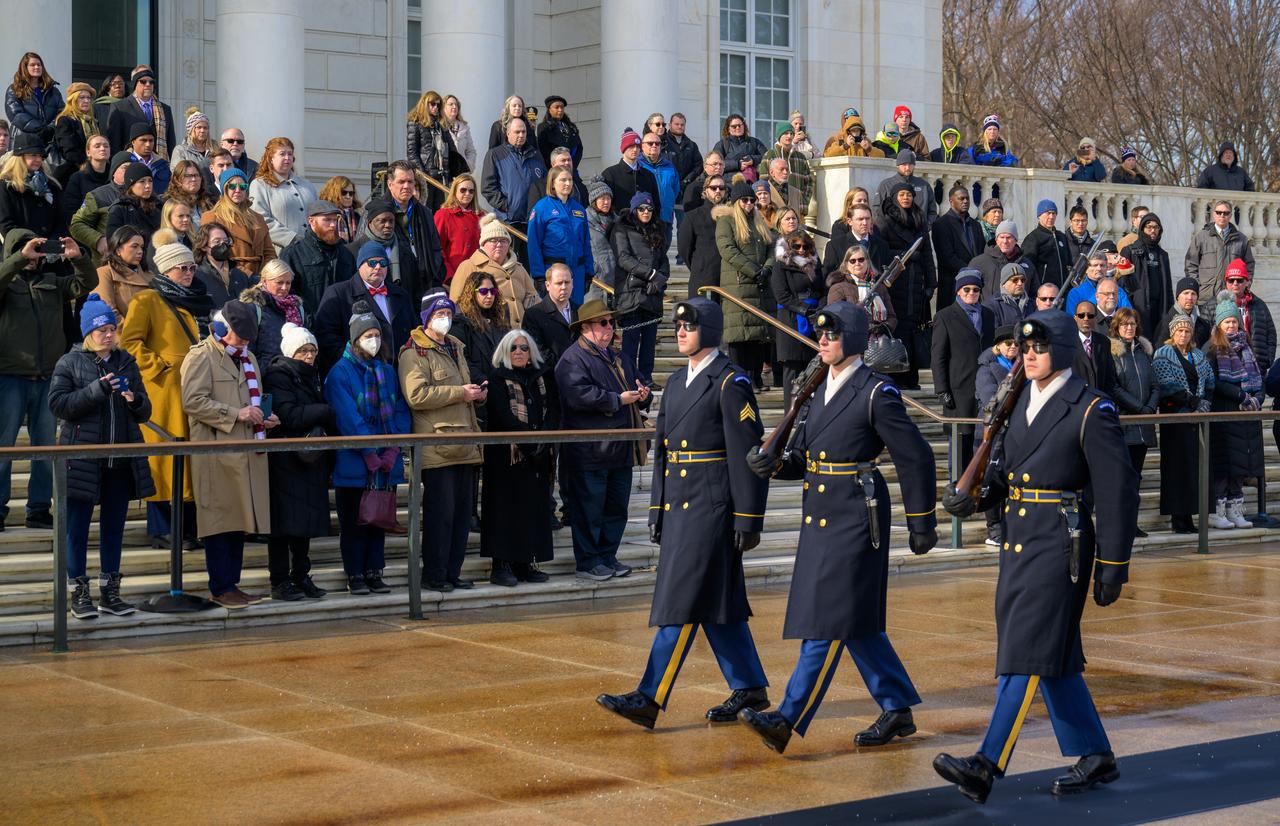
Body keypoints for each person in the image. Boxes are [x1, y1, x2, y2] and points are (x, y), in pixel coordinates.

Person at [936, 311, 1136, 805]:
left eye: (1039, 348)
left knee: (1024, 654)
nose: (1028, 354)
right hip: (1021, 541)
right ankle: (1095, 753)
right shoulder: (1018, 399)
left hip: (1059, 543)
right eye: (1025, 348)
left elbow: (1117, 492)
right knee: (1053, 657)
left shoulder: (1090, 408)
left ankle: (986, 763)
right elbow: (1005, 474)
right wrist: (976, 498)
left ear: (1063, 352)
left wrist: (1113, 565)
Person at [741, 301, 938, 754]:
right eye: (820, 334)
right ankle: (896, 707)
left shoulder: (875, 392)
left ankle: (787, 717)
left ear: (851, 339)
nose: (823, 340)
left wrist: (921, 520)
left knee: (827, 620)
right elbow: (807, 456)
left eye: (831, 334)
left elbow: (915, 456)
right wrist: (775, 462)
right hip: (821, 512)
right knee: (855, 622)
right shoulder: (816, 389)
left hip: (855, 514)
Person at [598, 298, 772, 728]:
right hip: (680, 506)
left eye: (689, 327)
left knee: (684, 601)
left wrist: (748, 517)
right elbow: (663, 453)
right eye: (677, 326)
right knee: (716, 602)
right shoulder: (675, 382)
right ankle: (748, 684)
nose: (679, 332)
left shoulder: (730, 382)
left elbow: (746, 453)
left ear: (709, 332)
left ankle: (649, 696)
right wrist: (657, 508)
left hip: (712, 508)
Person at [51, 292, 153, 621]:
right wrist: (98, 389)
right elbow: (59, 405)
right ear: (87, 333)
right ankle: (78, 592)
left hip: (119, 461)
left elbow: (145, 409)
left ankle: (110, 592)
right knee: (76, 529)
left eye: (111, 329)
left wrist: (132, 398)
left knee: (114, 528)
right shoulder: (70, 362)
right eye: (100, 330)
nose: (108, 335)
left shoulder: (125, 360)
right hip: (82, 458)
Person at [180, 300, 278, 608]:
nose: (245, 343)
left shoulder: (247, 358)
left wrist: (264, 416)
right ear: (224, 330)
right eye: (241, 337)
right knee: (219, 522)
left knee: (238, 521)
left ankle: (231, 583)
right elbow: (193, 402)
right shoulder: (201, 356)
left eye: (250, 338)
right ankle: (221, 586)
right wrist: (237, 414)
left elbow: (254, 401)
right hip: (215, 453)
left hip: (245, 451)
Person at [0, 230, 95, 530]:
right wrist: (18, 259)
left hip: (49, 377)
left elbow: (86, 283)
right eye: (29, 248)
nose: (34, 254)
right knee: (4, 447)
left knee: (44, 448)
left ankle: (38, 508)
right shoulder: (6, 281)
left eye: (38, 248)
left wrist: (78, 258)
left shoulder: (52, 282)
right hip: (10, 376)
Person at [120, 242, 212, 546]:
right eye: (181, 268)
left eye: (191, 267)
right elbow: (130, 342)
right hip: (164, 392)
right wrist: (159, 367)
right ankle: (161, 528)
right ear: (166, 269)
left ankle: (187, 527)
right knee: (163, 460)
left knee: (190, 459)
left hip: (195, 389)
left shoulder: (198, 300)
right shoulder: (147, 299)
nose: (187, 273)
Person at [556, 298, 650, 580]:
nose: (610, 328)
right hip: (591, 450)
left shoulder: (617, 356)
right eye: (604, 323)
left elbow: (638, 383)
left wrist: (644, 394)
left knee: (615, 508)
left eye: (612, 322)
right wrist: (616, 399)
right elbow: (577, 396)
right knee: (589, 509)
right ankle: (588, 561)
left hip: (621, 447)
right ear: (586, 328)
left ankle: (608, 556)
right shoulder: (572, 359)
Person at [398, 292, 485, 591]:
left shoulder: (456, 347)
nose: (445, 319)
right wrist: (461, 393)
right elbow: (416, 395)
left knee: (462, 516)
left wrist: (476, 393)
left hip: (465, 440)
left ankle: (452, 572)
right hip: (437, 445)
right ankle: (434, 575)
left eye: (448, 313)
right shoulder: (413, 352)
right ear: (426, 318)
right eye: (439, 313)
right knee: (441, 516)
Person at [325, 300, 410, 594]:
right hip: (354, 460)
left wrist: (392, 448)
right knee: (354, 522)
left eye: (376, 335)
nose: (373, 341)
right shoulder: (340, 373)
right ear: (355, 339)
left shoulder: (385, 371)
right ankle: (356, 574)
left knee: (379, 518)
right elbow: (348, 416)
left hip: (384, 461)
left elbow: (400, 408)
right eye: (366, 336)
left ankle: (375, 570)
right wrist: (369, 452)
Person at [262, 323, 332, 601]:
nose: (309, 356)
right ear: (291, 352)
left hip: (307, 459)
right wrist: (325, 411)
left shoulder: (310, 375)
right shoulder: (279, 375)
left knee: (304, 524)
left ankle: (301, 576)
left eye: (312, 350)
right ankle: (280, 580)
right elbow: (288, 415)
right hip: (285, 460)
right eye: (303, 351)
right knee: (282, 526)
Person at [482, 328, 558, 585]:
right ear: (505, 351)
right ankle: (501, 564)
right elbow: (503, 415)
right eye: (513, 347)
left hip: (538, 455)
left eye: (524, 348)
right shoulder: (496, 379)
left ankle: (526, 561)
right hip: (506, 458)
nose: (519, 352)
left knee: (532, 510)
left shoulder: (542, 377)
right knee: (504, 510)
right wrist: (528, 440)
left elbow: (552, 410)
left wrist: (543, 439)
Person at [1202, 292, 1265, 530]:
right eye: (1226, 321)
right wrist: (1239, 395)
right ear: (1219, 324)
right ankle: (1218, 511)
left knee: (1241, 465)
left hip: (1246, 416)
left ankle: (1236, 510)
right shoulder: (1212, 348)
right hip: (1224, 413)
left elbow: (1258, 376)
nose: (1231, 324)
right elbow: (1214, 381)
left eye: (1233, 321)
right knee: (1224, 465)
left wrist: (1257, 397)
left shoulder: (1246, 346)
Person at [314, 241, 415, 374]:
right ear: (359, 265)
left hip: (400, 370)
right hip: (357, 371)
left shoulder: (400, 294)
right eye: (372, 263)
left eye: (383, 263)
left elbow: (413, 330)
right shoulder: (338, 293)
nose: (378, 267)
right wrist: (353, 363)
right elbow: (327, 337)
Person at [1152, 314, 1213, 533]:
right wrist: (1193, 401)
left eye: (1187, 331)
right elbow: (1166, 385)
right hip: (1175, 417)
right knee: (1176, 469)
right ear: (1172, 333)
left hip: (1196, 419)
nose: (1184, 334)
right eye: (1179, 331)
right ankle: (1178, 518)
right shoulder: (1163, 354)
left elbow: (1210, 382)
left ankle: (1189, 516)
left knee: (1193, 469)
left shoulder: (1198, 355)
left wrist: (1205, 402)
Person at [933, 271, 996, 468]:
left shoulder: (987, 314)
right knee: (960, 444)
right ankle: (957, 490)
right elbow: (938, 356)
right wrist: (942, 389)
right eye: (966, 289)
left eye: (976, 289)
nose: (971, 293)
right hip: (959, 389)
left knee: (983, 442)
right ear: (958, 291)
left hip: (984, 387)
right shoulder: (945, 316)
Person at [715, 180, 773, 390]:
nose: (749, 204)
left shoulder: (758, 222)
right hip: (738, 286)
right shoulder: (726, 221)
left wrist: (767, 268)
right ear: (736, 202)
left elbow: (771, 248)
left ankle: (756, 377)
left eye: (752, 200)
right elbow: (728, 250)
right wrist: (753, 270)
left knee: (757, 335)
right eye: (745, 200)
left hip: (759, 286)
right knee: (740, 336)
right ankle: (741, 379)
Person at [877, 182, 936, 389]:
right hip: (895, 281)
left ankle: (912, 377)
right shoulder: (885, 221)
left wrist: (931, 283)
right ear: (894, 197)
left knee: (913, 329)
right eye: (902, 194)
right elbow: (881, 251)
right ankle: (896, 377)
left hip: (915, 282)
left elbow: (927, 252)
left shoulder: (919, 220)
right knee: (897, 327)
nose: (906, 198)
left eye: (909, 195)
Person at [612, 192, 669, 389]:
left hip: (652, 293)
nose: (646, 212)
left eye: (650, 209)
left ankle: (646, 377)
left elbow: (664, 260)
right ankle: (629, 379)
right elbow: (623, 258)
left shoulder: (657, 229)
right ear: (634, 210)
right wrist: (651, 274)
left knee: (649, 339)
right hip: (631, 292)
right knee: (631, 339)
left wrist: (660, 279)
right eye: (642, 209)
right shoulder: (622, 228)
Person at [1108, 307, 1157, 537]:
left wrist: (1149, 407)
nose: (1129, 328)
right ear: (1117, 327)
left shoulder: (1144, 351)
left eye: (1133, 324)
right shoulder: (1113, 352)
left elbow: (1155, 385)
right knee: (1122, 478)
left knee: (1136, 477)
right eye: (1125, 324)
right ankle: (1119, 523)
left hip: (1143, 424)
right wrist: (1138, 408)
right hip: (1125, 423)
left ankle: (1132, 522)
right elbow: (1114, 387)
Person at [450, 214, 539, 326]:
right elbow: (456, 303)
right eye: (493, 240)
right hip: (489, 333)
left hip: (522, 333)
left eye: (503, 240)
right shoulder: (470, 266)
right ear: (483, 244)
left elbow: (534, 300)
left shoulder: (519, 268)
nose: (499, 244)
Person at [480, 118, 545, 265]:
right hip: (508, 222)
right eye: (517, 132)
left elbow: (544, 184)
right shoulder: (495, 154)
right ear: (508, 133)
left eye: (523, 132)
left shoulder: (536, 155)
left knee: (530, 269)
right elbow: (487, 186)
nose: (521, 135)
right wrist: (505, 206)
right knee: (510, 266)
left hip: (532, 223)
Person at [974, 324, 1017, 546]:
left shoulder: (1019, 368)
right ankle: (994, 529)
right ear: (998, 347)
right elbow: (989, 396)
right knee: (989, 477)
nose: (1013, 347)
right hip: (990, 430)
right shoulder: (987, 368)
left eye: (1016, 344)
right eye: (1008, 343)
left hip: (1013, 430)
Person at [770, 230, 822, 409]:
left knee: (812, 369)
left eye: (805, 246)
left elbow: (822, 289)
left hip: (813, 319)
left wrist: (818, 308)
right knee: (792, 371)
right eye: (796, 246)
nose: (801, 250)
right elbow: (781, 295)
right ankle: (790, 414)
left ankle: (810, 414)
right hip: (790, 320)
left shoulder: (815, 264)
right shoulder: (780, 265)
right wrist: (804, 308)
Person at [279, 200, 356, 317]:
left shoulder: (346, 254)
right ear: (311, 221)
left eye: (335, 220)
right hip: (308, 326)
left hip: (342, 325)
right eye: (327, 220)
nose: (332, 225)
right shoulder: (293, 254)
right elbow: (286, 295)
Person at [527, 166, 593, 299]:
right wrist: (539, 276)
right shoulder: (542, 208)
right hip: (554, 272)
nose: (568, 183)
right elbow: (534, 244)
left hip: (577, 273)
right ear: (552, 183)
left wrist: (589, 272)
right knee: (556, 315)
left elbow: (586, 244)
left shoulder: (579, 209)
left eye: (570, 180)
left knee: (575, 315)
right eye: (563, 180)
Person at [382, 161, 447, 295]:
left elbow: (436, 248)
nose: (406, 186)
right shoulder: (377, 212)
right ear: (390, 184)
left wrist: (435, 272)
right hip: (392, 284)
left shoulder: (425, 213)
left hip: (424, 284)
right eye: (401, 182)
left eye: (410, 182)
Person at [202, 167, 276, 277]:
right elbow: (211, 253)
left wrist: (266, 275)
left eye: (242, 186)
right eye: (232, 186)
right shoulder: (212, 217)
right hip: (230, 276)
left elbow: (269, 252)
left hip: (261, 277)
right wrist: (248, 275)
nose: (238, 190)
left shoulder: (258, 218)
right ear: (224, 189)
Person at [249, 136, 317, 253]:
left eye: (290, 154)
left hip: (312, 251)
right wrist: (292, 238)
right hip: (280, 252)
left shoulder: (307, 185)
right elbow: (260, 219)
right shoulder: (260, 185)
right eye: (282, 154)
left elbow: (317, 215)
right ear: (271, 158)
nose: (287, 158)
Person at [1185, 200, 1254, 313]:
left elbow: (1249, 266)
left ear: (1230, 216)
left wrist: (1245, 286)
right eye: (1219, 212)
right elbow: (1190, 265)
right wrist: (1197, 287)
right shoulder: (1201, 237)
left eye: (1226, 213)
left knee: (1230, 329)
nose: (1222, 215)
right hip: (1206, 297)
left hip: (1232, 297)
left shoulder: (1241, 239)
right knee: (1207, 330)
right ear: (1213, 214)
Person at [406, 90, 465, 211]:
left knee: (440, 213)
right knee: (425, 211)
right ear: (425, 104)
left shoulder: (441, 125)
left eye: (438, 105)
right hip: (426, 176)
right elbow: (412, 153)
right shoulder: (415, 123)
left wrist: (457, 171)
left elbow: (452, 150)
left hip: (442, 176)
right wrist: (422, 175)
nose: (435, 107)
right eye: (432, 104)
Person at [240, 259, 306, 364]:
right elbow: (247, 349)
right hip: (265, 374)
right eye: (279, 282)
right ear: (264, 281)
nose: (284, 288)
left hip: (293, 372)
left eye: (288, 283)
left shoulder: (297, 308)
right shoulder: (253, 308)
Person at [1120, 212, 1172, 341]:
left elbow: (1168, 286)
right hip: (1138, 306)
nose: (1153, 230)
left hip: (1159, 307)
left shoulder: (1163, 255)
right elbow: (1122, 282)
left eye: (1156, 227)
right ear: (1142, 229)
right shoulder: (1130, 251)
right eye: (1149, 227)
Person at [932, 184, 984, 310]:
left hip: (975, 285)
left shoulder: (975, 225)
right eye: (961, 198)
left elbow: (982, 251)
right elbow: (947, 257)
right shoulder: (941, 224)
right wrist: (970, 271)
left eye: (967, 198)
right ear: (951, 201)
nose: (965, 201)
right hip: (952, 285)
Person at [0, 134, 62, 239]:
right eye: (33, 155)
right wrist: (31, 244)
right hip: (20, 251)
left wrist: (51, 245)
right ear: (20, 157)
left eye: (41, 156)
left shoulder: (52, 186)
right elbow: (6, 225)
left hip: (52, 251)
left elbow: (61, 220)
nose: (39, 159)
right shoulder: (5, 187)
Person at [106, 66, 174, 159]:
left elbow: (171, 143)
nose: (148, 84)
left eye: (151, 82)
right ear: (135, 84)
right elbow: (114, 143)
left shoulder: (165, 109)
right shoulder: (120, 107)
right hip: (131, 163)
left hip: (159, 164)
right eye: (143, 81)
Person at [678, 175, 726, 299]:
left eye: (721, 188)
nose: (718, 191)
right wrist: (699, 266)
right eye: (713, 188)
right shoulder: (693, 216)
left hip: (726, 280)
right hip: (703, 278)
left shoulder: (731, 216)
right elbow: (684, 249)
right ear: (705, 191)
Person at [1223, 259, 1275, 370]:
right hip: (1227, 369)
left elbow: (1271, 335)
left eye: (1239, 280)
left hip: (1257, 367)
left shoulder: (1259, 305)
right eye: (1231, 280)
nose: (1235, 284)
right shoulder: (1214, 305)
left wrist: (1267, 360)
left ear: (1247, 282)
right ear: (1226, 282)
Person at [5, 53, 63, 149]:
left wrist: (50, 128)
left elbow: (62, 112)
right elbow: (16, 114)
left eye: (39, 64)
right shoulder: (14, 89)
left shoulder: (53, 91)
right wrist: (40, 128)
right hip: (23, 140)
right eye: (32, 65)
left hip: (49, 141)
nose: (37, 67)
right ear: (25, 67)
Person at [600, 128, 661, 218]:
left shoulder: (649, 175)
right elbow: (604, 205)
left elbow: (656, 203)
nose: (635, 149)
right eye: (631, 146)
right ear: (624, 148)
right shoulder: (610, 174)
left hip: (645, 228)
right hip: (620, 227)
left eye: (637, 147)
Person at [94, 226, 151, 320]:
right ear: (118, 250)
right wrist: (130, 333)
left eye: (142, 247)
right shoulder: (104, 273)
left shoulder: (149, 274)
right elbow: (107, 312)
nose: (140, 251)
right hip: (124, 332)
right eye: (134, 246)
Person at [433, 174, 481, 284]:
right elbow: (437, 248)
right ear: (454, 191)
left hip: (478, 275)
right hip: (455, 275)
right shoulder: (443, 215)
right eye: (463, 190)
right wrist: (448, 275)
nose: (467, 194)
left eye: (471, 191)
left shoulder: (481, 216)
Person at [823, 202, 890, 278]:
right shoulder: (835, 245)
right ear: (850, 221)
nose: (865, 223)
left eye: (867, 219)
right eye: (860, 219)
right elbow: (828, 276)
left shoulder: (882, 245)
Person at [193, 220, 251, 308]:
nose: (223, 245)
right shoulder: (197, 275)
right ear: (204, 246)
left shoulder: (239, 274)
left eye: (226, 241)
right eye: (217, 241)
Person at [59, 134, 112, 229]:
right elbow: (71, 211)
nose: (103, 148)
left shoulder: (115, 177)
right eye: (97, 146)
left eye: (106, 146)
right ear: (88, 152)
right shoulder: (77, 178)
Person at [51, 81, 99, 184]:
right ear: (73, 100)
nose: (86, 101)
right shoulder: (65, 120)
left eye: (89, 97)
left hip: (92, 170)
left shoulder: (93, 121)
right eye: (82, 97)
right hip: (72, 174)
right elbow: (69, 150)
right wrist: (87, 165)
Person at [761, 123, 813, 216]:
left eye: (791, 133)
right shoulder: (769, 155)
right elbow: (763, 182)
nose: (789, 136)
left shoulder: (800, 157)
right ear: (779, 136)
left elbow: (809, 182)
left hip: (797, 209)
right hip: (775, 210)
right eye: (785, 133)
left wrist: (803, 202)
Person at [874, 150, 936, 226]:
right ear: (897, 165)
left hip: (919, 233)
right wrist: (886, 228)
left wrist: (926, 226)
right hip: (893, 234)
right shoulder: (886, 185)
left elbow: (932, 211)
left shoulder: (924, 185)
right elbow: (877, 209)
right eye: (904, 164)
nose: (907, 167)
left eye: (910, 164)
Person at [969, 220, 1029, 297]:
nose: (1005, 241)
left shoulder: (1026, 264)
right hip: (988, 308)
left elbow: (1034, 293)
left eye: (1008, 237)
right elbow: (969, 291)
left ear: (1015, 240)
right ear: (996, 240)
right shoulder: (978, 263)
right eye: (1002, 237)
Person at [1065, 254, 1133, 320]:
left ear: (1107, 268)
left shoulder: (1118, 291)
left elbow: (1128, 316)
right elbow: (1072, 319)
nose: (1099, 268)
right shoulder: (1076, 293)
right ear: (1086, 269)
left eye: (1102, 265)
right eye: (1094, 265)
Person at [1022, 200, 1072, 288]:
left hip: (1063, 289)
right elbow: (1028, 267)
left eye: (1054, 213)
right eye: (1048, 213)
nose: (1051, 216)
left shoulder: (1061, 237)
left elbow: (1068, 262)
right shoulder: (1033, 238)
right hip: (1044, 291)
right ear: (1039, 215)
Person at [639, 130, 680, 237]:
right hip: (645, 218)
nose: (654, 146)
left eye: (657, 143)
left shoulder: (669, 165)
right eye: (650, 143)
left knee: (665, 248)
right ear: (642, 146)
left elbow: (675, 189)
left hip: (665, 217)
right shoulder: (637, 165)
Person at [104, 162, 159, 241]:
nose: (148, 185)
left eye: (150, 181)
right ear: (131, 184)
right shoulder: (120, 209)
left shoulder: (159, 205)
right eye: (142, 181)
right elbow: (113, 241)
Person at [1071, 299, 1117, 395]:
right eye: (1081, 315)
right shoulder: (1067, 343)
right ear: (1075, 318)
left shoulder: (1104, 342)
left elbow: (1110, 378)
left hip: (1099, 402)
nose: (1086, 318)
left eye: (1090, 315)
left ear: (1095, 319)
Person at [664, 112, 703, 218]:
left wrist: (687, 180)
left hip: (685, 189)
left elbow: (699, 165)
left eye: (682, 124)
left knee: (683, 222)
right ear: (670, 125)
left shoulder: (691, 145)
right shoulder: (662, 143)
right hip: (667, 188)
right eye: (677, 124)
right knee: (666, 224)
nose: (680, 127)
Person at [1159, 277, 1212, 350]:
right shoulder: (1166, 323)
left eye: (1193, 294)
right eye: (1186, 293)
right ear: (1178, 297)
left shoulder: (1203, 325)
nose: (1190, 297)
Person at [712, 114, 767, 182]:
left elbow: (767, 158)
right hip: (729, 182)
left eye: (740, 125)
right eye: (734, 126)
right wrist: (737, 164)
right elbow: (714, 164)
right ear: (728, 129)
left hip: (752, 182)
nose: (737, 128)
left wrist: (753, 160)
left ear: (744, 126)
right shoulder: (721, 144)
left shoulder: (754, 142)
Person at [122, 122, 170, 196]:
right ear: (133, 142)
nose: (148, 144)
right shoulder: (123, 164)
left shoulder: (163, 165)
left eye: (151, 141)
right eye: (143, 140)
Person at [536, 94, 582, 170]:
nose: (560, 110)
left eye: (562, 107)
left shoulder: (571, 127)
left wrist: (571, 165)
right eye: (557, 107)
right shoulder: (544, 127)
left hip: (572, 168)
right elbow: (543, 150)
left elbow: (579, 148)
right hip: (554, 169)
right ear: (549, 109)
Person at [166, 159, 217, 225]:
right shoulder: (171, 204)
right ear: (177, 180)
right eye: (188, 176)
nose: (193, 179)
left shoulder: (211, 201)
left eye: (196, 175)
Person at [984, 262, 1031, 327]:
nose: (1020, 283)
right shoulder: (991, 305)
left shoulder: (1031, 303)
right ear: (1004, 283)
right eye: (1015, 280)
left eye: (1023, 280)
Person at [318, 175, 362, 244]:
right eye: (344, 193)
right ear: (333, 193)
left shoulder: (357, 216)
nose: (348, 196)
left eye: (351, 193)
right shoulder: (324, 215)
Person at [443, 94, 477, 173]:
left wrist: (468, 166)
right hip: (446, 173)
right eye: (451, 104)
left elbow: (471, 151)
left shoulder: (464, 127)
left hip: (462, 172)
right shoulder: (440, 127)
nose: (454, 107)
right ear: (444, 107)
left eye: (456, 105)